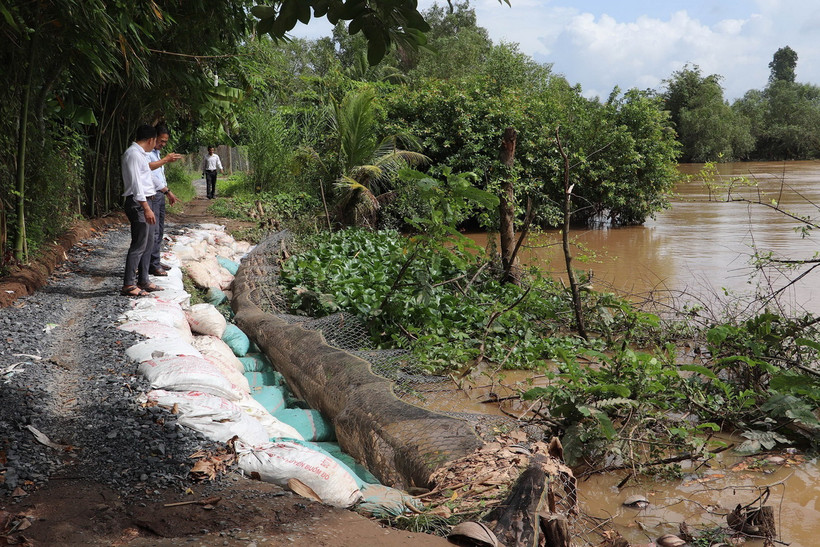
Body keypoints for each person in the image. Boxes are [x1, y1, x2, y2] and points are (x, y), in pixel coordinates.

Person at [121, 124, 162, 297]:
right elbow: (137, 183)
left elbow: (147, 177)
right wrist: (146, 208)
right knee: (139, 244)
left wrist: (164, 190)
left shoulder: (141, 155)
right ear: (151, 139)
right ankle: (129, 284)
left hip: (147, 201)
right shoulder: (133, 154)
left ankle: (143, 279)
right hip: (139, 203)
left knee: (148, 242)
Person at [147, 124, 182, 276]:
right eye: (161, 141)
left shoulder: (156, 153)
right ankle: (152, 265)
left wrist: (166, 191)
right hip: (153, 194)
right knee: (154, 231)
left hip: (160, 194)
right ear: (153, 138)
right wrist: (166, 191)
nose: (163, 144)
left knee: (160, 230)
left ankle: (155, 260)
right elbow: (150, 174)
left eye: (165, 142)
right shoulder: (146, 153)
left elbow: (159, 176)